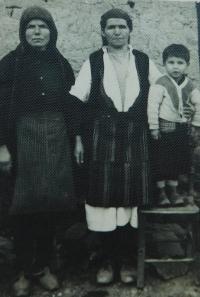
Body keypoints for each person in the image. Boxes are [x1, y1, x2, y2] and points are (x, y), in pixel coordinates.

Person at [71, 8, 161, 284]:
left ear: (130, 30)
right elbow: (76, 101)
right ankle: (107, 262)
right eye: (111, 27)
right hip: (103, 140)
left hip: (136, 138)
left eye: (122, 26)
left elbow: (161, 91)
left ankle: (128, 262)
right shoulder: (94, 61)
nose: (117, 31)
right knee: (104, 204)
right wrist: (77, 139)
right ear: (103, 31)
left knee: (132, 204)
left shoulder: (144, 61)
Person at [0, 6, 80, 296]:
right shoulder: (9, 64)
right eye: (31, 27)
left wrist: (77, 139)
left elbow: (72, 106)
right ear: (23, 32)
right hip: (22, 141)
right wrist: (1, 147)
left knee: (50, 206)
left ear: (51, 31)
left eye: (42, 27)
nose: (36, 32)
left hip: (57, 139)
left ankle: (43, 267)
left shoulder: (60, 64)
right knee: (22, 208)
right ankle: (22, 270)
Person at [148, 44, 200, 207]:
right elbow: (152, 106)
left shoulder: (189, 85)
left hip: (181, 129)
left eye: (180, 63)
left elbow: (198, 103)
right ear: (164, 64)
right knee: (162, 161)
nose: (175, 67)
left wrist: (197, 125)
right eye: (171, 62)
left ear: (187, 65)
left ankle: (173, 191)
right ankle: (162, 193)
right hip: (164, 129)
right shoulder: (160, 83)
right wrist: (154, 127)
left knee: (176, 161)